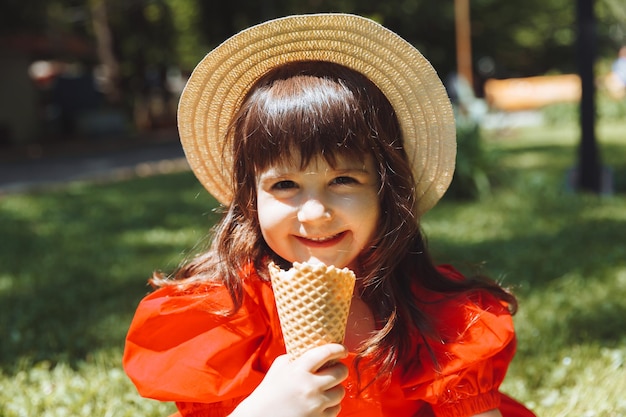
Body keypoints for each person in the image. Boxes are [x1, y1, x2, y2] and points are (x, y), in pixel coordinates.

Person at [123, 14, 536, 417]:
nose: (315, 213)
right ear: (251, 198)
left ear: (385, 191)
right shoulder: (223, 318)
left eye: (343, 180)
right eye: (284, 185)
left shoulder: (437, 316)